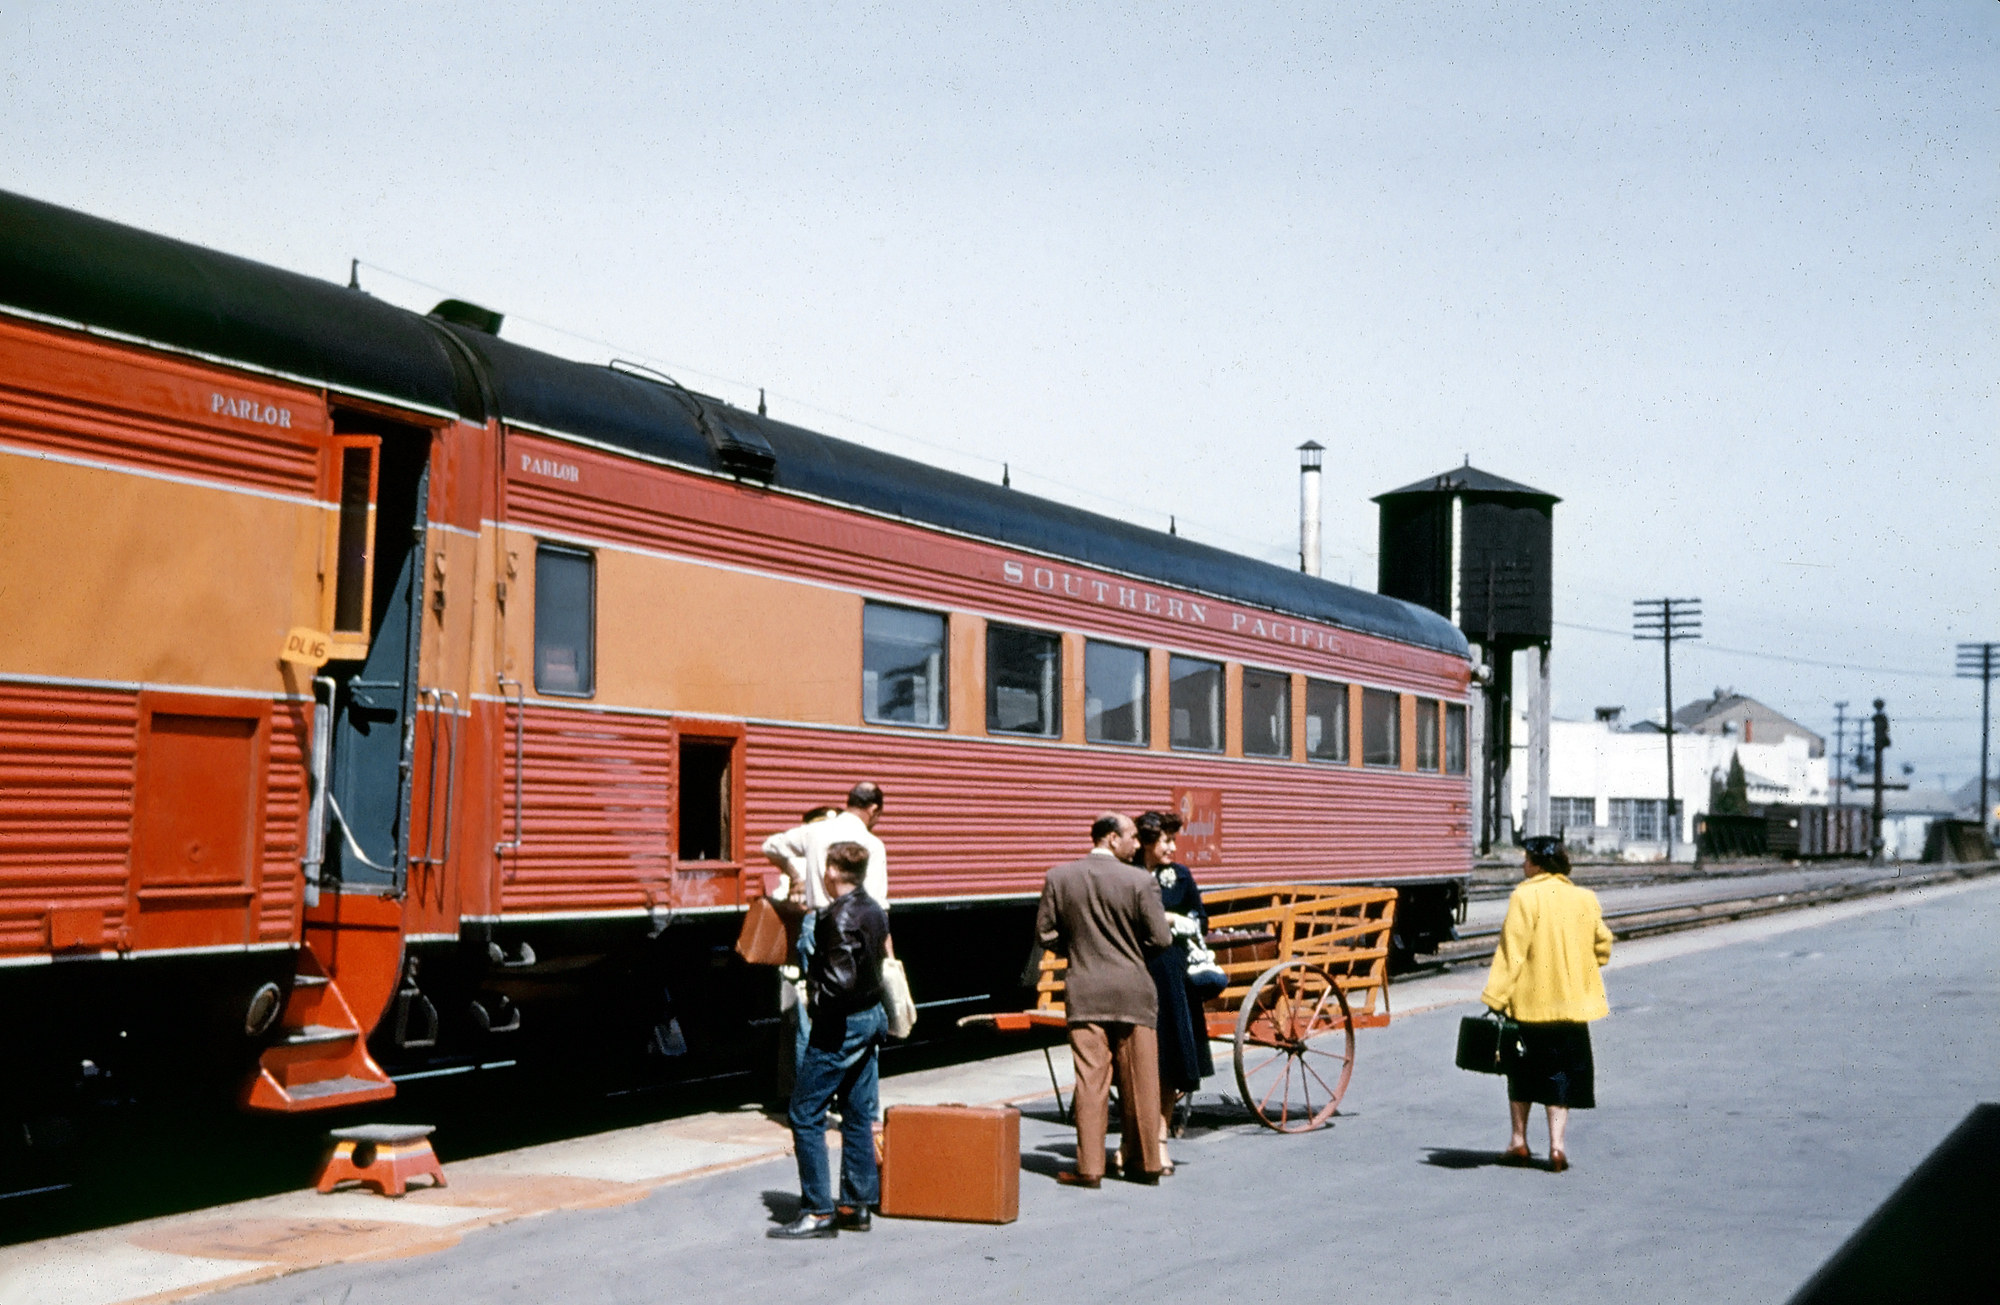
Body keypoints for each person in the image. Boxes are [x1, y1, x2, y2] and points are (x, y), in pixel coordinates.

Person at [1034, 812, 1173, 1188]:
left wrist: (1079, 948)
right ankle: (1146, 1166)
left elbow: (1045, 934)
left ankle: (1090, 1168)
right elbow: (1162, 939)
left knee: (1090, 1082)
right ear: (1112, 838)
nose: (1136, 843)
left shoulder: (1059, 878)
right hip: (1134, 992)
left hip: (1085, 991)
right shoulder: (1141, 881)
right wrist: (1130, 949)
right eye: (1131, 836)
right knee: (1141, 1081)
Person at [769, 840, 890, 1240]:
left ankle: (818, 1211)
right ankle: (855, 1206)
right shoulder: (873, 908)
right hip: (872, 1017)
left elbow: (838, 983)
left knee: (805, 1114)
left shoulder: (835, 918)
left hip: (840, 1025)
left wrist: (812, 995)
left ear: (833, 872)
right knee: (857, 1112)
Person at [1480, 835, 1613, 1173]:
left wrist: (1495, 997)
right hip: (1572, 1007)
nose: (1523, 864)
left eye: (1526, 858)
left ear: (1537, 863)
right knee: (1561, 1075)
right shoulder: (1584, 897)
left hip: (1531, 1005)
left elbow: (1512, 954)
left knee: (1522, 1073)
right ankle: (1556, 1148)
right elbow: (1603, 946)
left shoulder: (1525, 896)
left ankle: (1518, 1141)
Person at [762, 783, 890, 1070]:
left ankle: (809, 1084)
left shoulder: (815, 832)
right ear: (873, 810)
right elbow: (879, 906)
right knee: (863, 1009)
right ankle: (847, 1086)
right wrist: (888, 956)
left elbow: (769, 845)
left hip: (817, 923)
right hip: (862, 927)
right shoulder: (873, 845)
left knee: (811, 1012)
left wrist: (793, 872)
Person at [1133, 811, 1212, 1173]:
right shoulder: (1130, 874)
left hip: (1171, 974)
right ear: (1148, 842)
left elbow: (1200, 918)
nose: (1172, 847)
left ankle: (1161, 1138)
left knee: (1168, 1060)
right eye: (1166, 841)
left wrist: (1182, 922)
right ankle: (1134, 1142)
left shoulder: (1180, 876)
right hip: (1135, 971)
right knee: (1136, 1061)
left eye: (1173, 841)